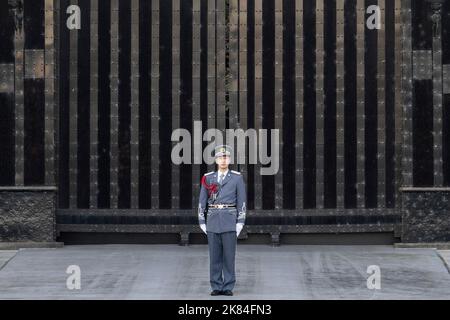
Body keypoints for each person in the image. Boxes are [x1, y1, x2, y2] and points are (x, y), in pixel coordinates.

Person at [197, 145, 247, 296]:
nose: (223, 160)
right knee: (214, 256)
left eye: (225, 157)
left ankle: (228, 286)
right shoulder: (208, 177)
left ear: (230, 159)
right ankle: (216, 285)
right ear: (216, 159)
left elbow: (242, 201)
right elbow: (202, 201)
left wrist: (240, 222)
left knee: (229, 256)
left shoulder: (237, 178)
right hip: (213, 219)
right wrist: (202, 221)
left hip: (229, 219)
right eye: (220, 157)